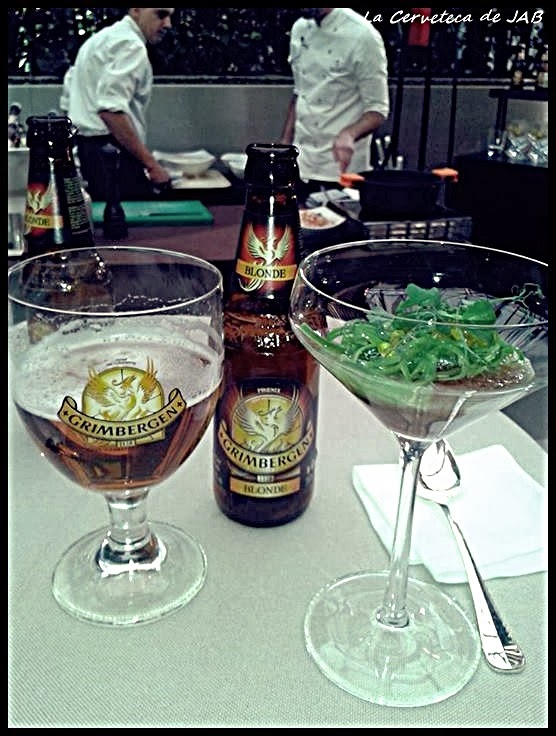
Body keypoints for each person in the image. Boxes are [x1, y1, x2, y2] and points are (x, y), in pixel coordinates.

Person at [62, 8, 175, 201]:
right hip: (113, 153)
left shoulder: (99, 40)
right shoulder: (131, 46)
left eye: (170, 16)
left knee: (102, 215)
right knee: (127, 217)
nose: (168, 24)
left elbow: (68, 97)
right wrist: (152, 165)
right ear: (136, 10)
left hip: (89, 150)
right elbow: (110, 111)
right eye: (161, 14)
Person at [280, 8, 390, 203]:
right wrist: (284, 146)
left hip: (341, 170)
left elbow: (377, 110)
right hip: (300, 163)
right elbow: (300, 93)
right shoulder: (300, 29)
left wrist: (349, 134)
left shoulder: (363, 36)